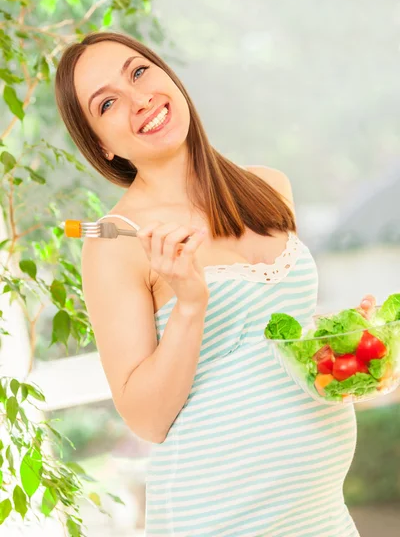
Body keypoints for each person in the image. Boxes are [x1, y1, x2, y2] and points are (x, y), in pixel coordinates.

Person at [55, 30, 375, 536]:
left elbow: (273, 338)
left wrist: (351, 345)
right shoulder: (117, 243)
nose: (139, 99)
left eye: (139, 72)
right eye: (108, 103)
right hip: (216, 517)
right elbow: (147, 420)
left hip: (321, 515)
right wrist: (189, 305)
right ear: (100, 142)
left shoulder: (268, 188)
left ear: (167, 74)